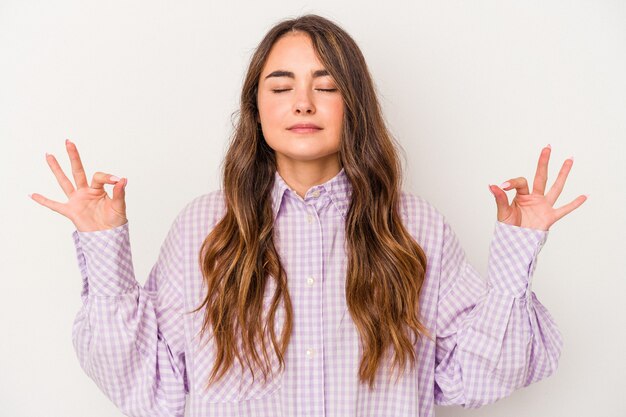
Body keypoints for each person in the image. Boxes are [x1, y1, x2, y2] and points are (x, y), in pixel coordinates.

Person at [30, 14, 587, 417]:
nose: (303, 102)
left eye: (327, 85)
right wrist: (105, 248)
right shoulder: (204, 228)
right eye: (282, 85)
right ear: (256, 107)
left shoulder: (413, 227)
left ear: (356, 107)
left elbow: (480, 373)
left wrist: (518, 251)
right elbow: (151, 387)